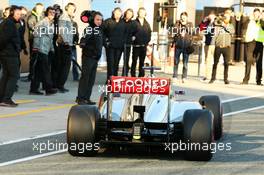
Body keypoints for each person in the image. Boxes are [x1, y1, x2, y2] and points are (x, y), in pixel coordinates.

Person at [76, 11, 103, 105]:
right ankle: (80, 98)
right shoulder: (89, 29)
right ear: (92, 19)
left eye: (100, 20)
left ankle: (87, 98)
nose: (99, 21)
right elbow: (83, 38)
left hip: (95, 58)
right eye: (97, 19)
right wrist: (82, 42)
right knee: (85, 78)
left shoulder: (99, 29)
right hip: (88, 57)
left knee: (91, 79)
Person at [29, 7, 57, 95]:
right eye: (50, 12)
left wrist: (52, 49)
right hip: (40, 49)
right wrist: (36, 48)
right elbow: (36, 36)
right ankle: (48, 89)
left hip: (46, 50)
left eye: (53, 12)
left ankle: (33, 89)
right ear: (46, 13)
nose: (52, 14)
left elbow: (51, 38)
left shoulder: (51, 24)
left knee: (38, 70)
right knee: (45, 70)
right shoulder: (42, 23)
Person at [0, 6, 22, 107]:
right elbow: (3, 40)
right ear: (12, 13)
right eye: (17, 14)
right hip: (9, 54)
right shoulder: (8, 23)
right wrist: (9, 50)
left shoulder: (9, 22)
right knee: (14, 76)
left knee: (6, 76)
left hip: (7, 53)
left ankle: (2, 99)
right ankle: (7, 99)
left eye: (20, 14)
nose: (19, 16)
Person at [209, 11, 234, 84]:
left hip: (227, 47)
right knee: (215, 63)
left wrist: (224, 25)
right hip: (218, 47)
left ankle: (225, 79)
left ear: (229, 18)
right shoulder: (218, 25)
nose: (225, 18)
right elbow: (214, 33)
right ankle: (213, 78)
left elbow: (232, 32)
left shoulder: (231, 25)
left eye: (227, 17)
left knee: (226, 63)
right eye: (225, 17)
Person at [56, 2, 76, 93]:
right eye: (71, 8)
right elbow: (62, 31)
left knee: (64, 66)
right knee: (65, 66)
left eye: (73, 9)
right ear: (67, 8)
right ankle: (60, 85)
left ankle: (59, 85)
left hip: (67, 44)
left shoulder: (69, 18)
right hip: (65, 45)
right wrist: (67, 43)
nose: (72, 10)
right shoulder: (64, 17)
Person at [103, 7, 126, 80]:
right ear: (113, 13)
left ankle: (115, 79)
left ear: (121, 14)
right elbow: (102, 32)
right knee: (110, 63)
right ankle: (109, 79)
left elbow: (126, 34)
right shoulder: (108, 21)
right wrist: (105, 42)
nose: (118, 14)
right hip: (110, 47)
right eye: (116, 13)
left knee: (116, 64)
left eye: (119, 13)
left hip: (119, 47)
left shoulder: (123, 23)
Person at [241, 9, 262, 85]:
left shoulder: (261, 21)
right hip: (250, 42)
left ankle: (258, 80)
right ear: (253, 13)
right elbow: (243, 26)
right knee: (248, 60)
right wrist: (248, 19)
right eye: (255, 13)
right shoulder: (250, 20)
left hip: (259, 42)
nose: (256, 14)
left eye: (257, 13)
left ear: (259, 14)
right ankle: (246, 79)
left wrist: (261, 18)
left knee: (259, 62)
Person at [172, 12, 194, 83]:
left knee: (185, 63)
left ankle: (184, 77)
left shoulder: (190, 24)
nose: (183, 18)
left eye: (184, 16)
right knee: (176, 62)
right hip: (178, 46)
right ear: (180, 17)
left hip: (187, 46)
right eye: (182, 16)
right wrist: (179, 24)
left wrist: (185, 25)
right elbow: (174, 31)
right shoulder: (177, 23)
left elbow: (191, 32)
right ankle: (175, 76)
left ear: (187, 17)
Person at [130, 7, 151, 77]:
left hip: (143, 46)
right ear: (138, 13)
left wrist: (146, 42)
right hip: (136, 46)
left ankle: (141, 75)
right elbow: (130, 33)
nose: (142, 13)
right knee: (134, 61)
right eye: (140, 12)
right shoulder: (133, 22)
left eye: (143, 12)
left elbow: (149, 34)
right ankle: (133, 75)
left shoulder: (147, 23)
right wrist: (132, 39)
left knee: (142, 62)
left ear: (145, 14)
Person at [27, 3, 44, 81]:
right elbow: (31, 26)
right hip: (33, 40)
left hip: (42, 40)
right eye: (38, 8)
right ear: (35, 8)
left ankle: (39, 75)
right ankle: (31, 76)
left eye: (41, 8)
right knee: (33, 58)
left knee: (41, 58)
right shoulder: (32, 16)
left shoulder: (43, 16)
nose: (39, 10)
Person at [199, 11, 216, 81]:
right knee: (208, 60)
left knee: (216, 61)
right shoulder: (206, 23)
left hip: (216, 44)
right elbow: (200, 27)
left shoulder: (217, 22)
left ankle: (214, 76)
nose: (210, 17)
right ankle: (207, 75)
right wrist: (203, 21)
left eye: (212, 16)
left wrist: (213, 21)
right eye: (210, 16)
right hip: (208, 44)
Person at [122, 8, 136, 76]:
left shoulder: (133, 23)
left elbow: (135, 32)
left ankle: (124, 74)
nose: (129, 15)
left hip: (128, 44)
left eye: (131, 14)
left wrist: (134, 36)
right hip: (119, 43)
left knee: (126, 59)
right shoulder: (121, 21)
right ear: (125, 13)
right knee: (117, 60)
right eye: (128, 13)